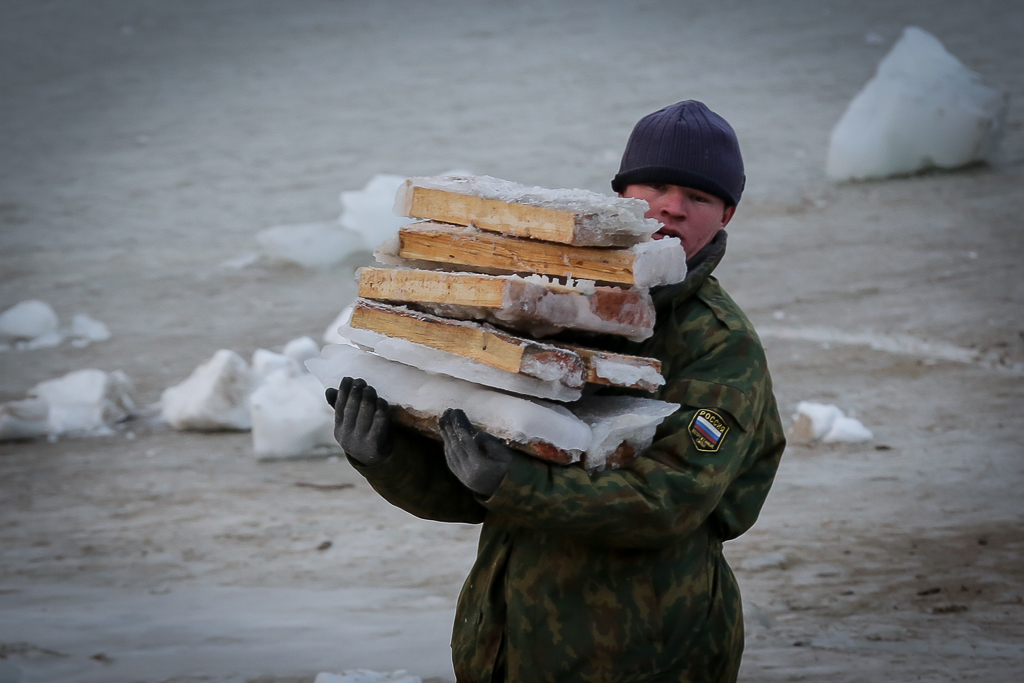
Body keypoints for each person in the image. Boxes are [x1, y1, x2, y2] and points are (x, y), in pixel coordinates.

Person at [325, 100, 786, 683]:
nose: (673, 206)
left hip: (645, 645)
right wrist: (386, 457)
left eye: (698, 197)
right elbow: (473, 496)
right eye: (659, 185)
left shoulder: (721, 347)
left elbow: (668, 502)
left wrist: (513, 483)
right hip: (508, 639)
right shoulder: (553, 311)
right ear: (622, 197)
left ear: (727, 214)